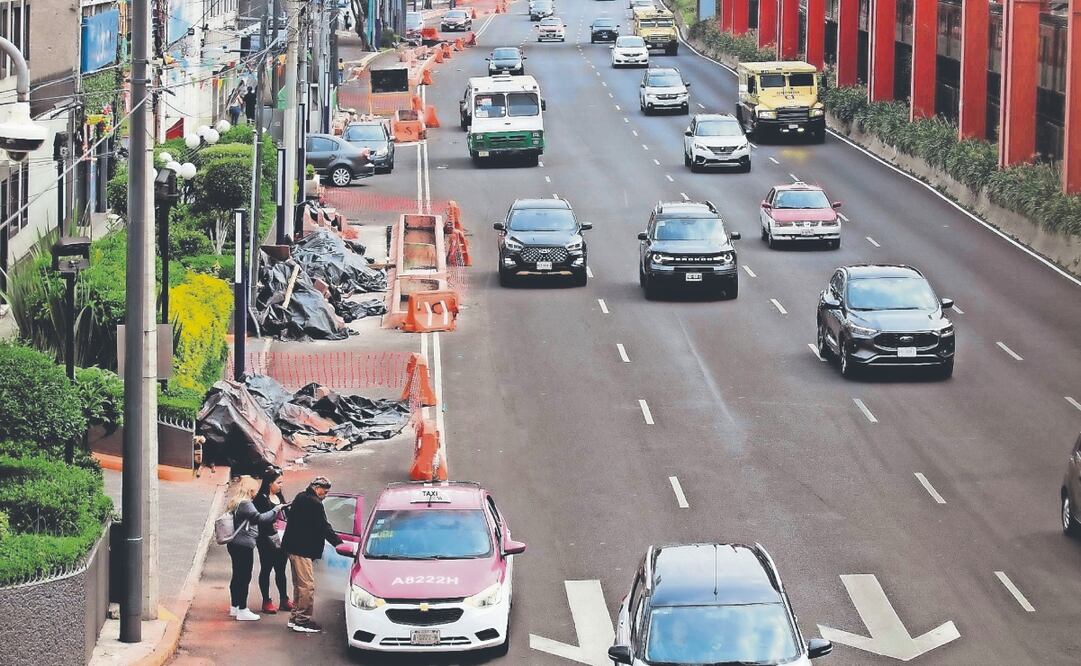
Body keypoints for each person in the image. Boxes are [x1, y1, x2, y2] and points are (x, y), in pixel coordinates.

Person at [282, 476, 343, 633]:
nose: (326, 495)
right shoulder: (314, 503)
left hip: (293, 548)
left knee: (299, 586)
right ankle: (302, 620)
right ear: (317, 488)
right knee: (307, 587)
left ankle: (295, 617)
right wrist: (338, 543)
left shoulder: (301, 497)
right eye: (325, 491)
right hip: (302, 550)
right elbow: (323, 526)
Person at [225, 475, 280, 622]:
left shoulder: (235, 502)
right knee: (244, 577)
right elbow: (260, 519)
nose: (256, 492)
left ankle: (234, 606)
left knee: (236, 576)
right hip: (243, 545)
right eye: (254, 490)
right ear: (250, 490)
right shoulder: (246, 504)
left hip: (234, 543)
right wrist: (276, 510)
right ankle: (242, 609)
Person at [254, 469, 291, 614]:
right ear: (269, 483)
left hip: (281, 539)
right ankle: (266, 600)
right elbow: (258, 519)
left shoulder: (279, 497)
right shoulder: (260, 499)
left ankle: (284, 599)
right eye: (278, 482)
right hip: (266, 540)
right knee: (266, 569)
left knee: (281, 570)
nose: (281, 485)